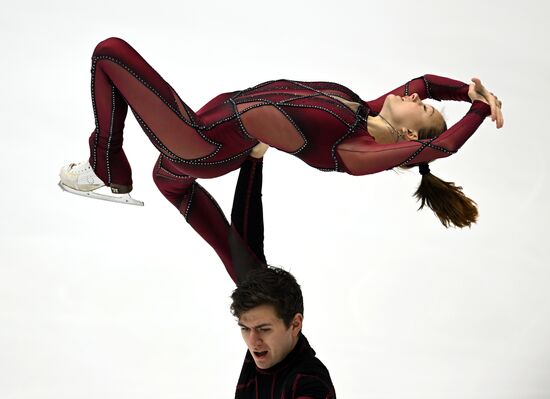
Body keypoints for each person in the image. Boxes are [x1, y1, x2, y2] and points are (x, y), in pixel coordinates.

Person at [59, 37, 503, 281]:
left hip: (201, 142)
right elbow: (424, 82)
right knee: (167, 179)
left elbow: (441, 146)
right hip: (207, 130)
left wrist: (480, 112)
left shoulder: (354, 151)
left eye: (419, 107)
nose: (410, 95)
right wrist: (468, 92)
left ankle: (106, 165)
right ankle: (249, 277)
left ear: (408, 135)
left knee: (109, 53)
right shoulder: (365, 110)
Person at [229, 154, 335, 398]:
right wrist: (254, 157)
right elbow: (246, 240)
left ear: (295, 324)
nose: (253, 342)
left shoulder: (310, 385)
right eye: (245, 328)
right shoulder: (268, 349)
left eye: (264, 329)